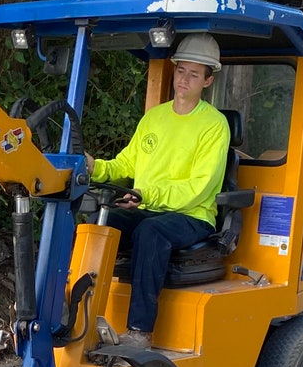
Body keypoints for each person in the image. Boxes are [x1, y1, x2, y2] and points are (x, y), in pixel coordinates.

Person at [85, 33, 230, 347]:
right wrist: (95, 167)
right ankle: (77, 312)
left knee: (151, 232)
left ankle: (140, 331)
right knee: (95, 221)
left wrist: (146, 195)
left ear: (208, 80)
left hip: (192, 216)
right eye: (181, 70)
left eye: (194, 74)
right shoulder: (154, 118)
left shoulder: (214, 125)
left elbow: (198, 188)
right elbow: (126, 163)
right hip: (147, 208)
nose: (184, 79)